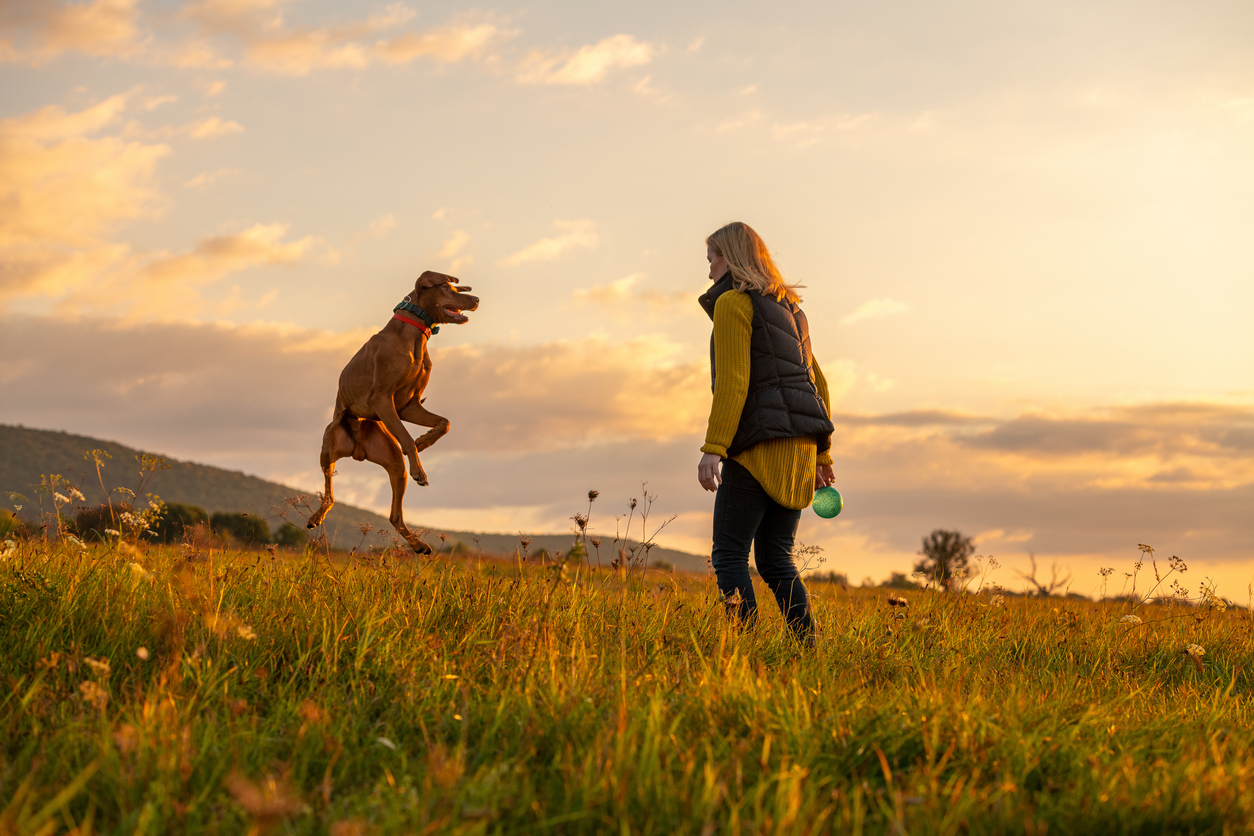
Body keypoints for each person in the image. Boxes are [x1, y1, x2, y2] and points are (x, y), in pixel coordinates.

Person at [696, 221, 835, 644]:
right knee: (776, 557)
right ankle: (807, 645)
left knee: (729, 554)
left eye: (712, 259)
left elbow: (735, 382)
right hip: (799, 451)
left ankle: (746, 646)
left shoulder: (734, 304)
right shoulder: (792, 310)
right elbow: (820, 385)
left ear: (731, 257)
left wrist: (713, 448)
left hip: (755, 448)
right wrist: (822, 457)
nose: (709, 272)